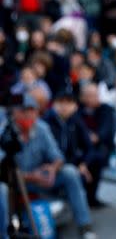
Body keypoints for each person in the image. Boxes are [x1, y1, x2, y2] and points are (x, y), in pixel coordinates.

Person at [0, 94, 97, 239]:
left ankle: (85, 226)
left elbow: (57, 156)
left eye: (31, 110)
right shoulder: (5, 131)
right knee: (2, 189)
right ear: (14, 113)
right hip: (15, 182)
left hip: (40, 178)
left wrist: (52, 169)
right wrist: (30, 176)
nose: (28, 114)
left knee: (70, 172)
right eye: (23, 110)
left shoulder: (42, 128)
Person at [78, 82, 116, 207]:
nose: (92, 98)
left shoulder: (106, 109)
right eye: (88, 95)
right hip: (80, 145)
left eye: (94, 95)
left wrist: (94, 137)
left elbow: (104, 131)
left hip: (99, 146)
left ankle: (92, 197)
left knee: (97, 157)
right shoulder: (78, 109)